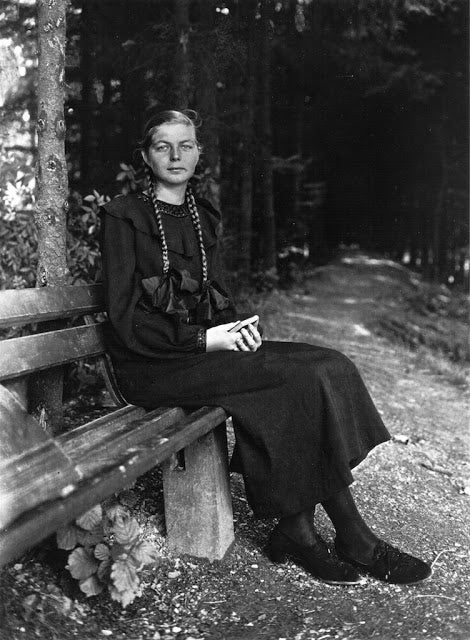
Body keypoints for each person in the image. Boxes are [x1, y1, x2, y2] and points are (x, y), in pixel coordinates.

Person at [99, 109, 431, 586]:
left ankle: (297, 529)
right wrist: (202, 339)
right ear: (145, 155)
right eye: (163, 146)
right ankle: (351, 537)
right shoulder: (122, 217)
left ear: (198, 153)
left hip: (201, 351)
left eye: (186, 145)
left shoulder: (200, 214)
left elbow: (214, 295)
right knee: (291, 379)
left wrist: (235, 329)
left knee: (326, 363)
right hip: (150, 365)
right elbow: (125, 318)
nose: (176, 156)